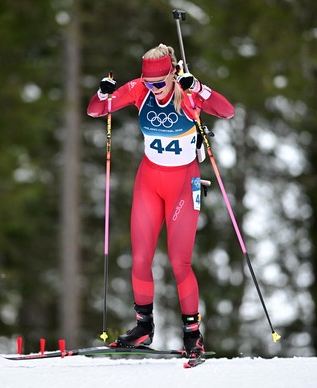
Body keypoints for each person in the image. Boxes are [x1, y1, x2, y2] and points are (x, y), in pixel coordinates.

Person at [87, 43, 235, 357]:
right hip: (149, 182)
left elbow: (227, 110)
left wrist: (198, 87)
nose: (153, 89)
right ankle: (143, 327)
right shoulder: (140, 89)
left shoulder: (188, 92)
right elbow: (96, 110)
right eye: (148, 82)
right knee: (140, 259)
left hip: (183, 183)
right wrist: (102, 94)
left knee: (179, 262)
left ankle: (193, 333)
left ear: (171, 74)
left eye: (159, 83)